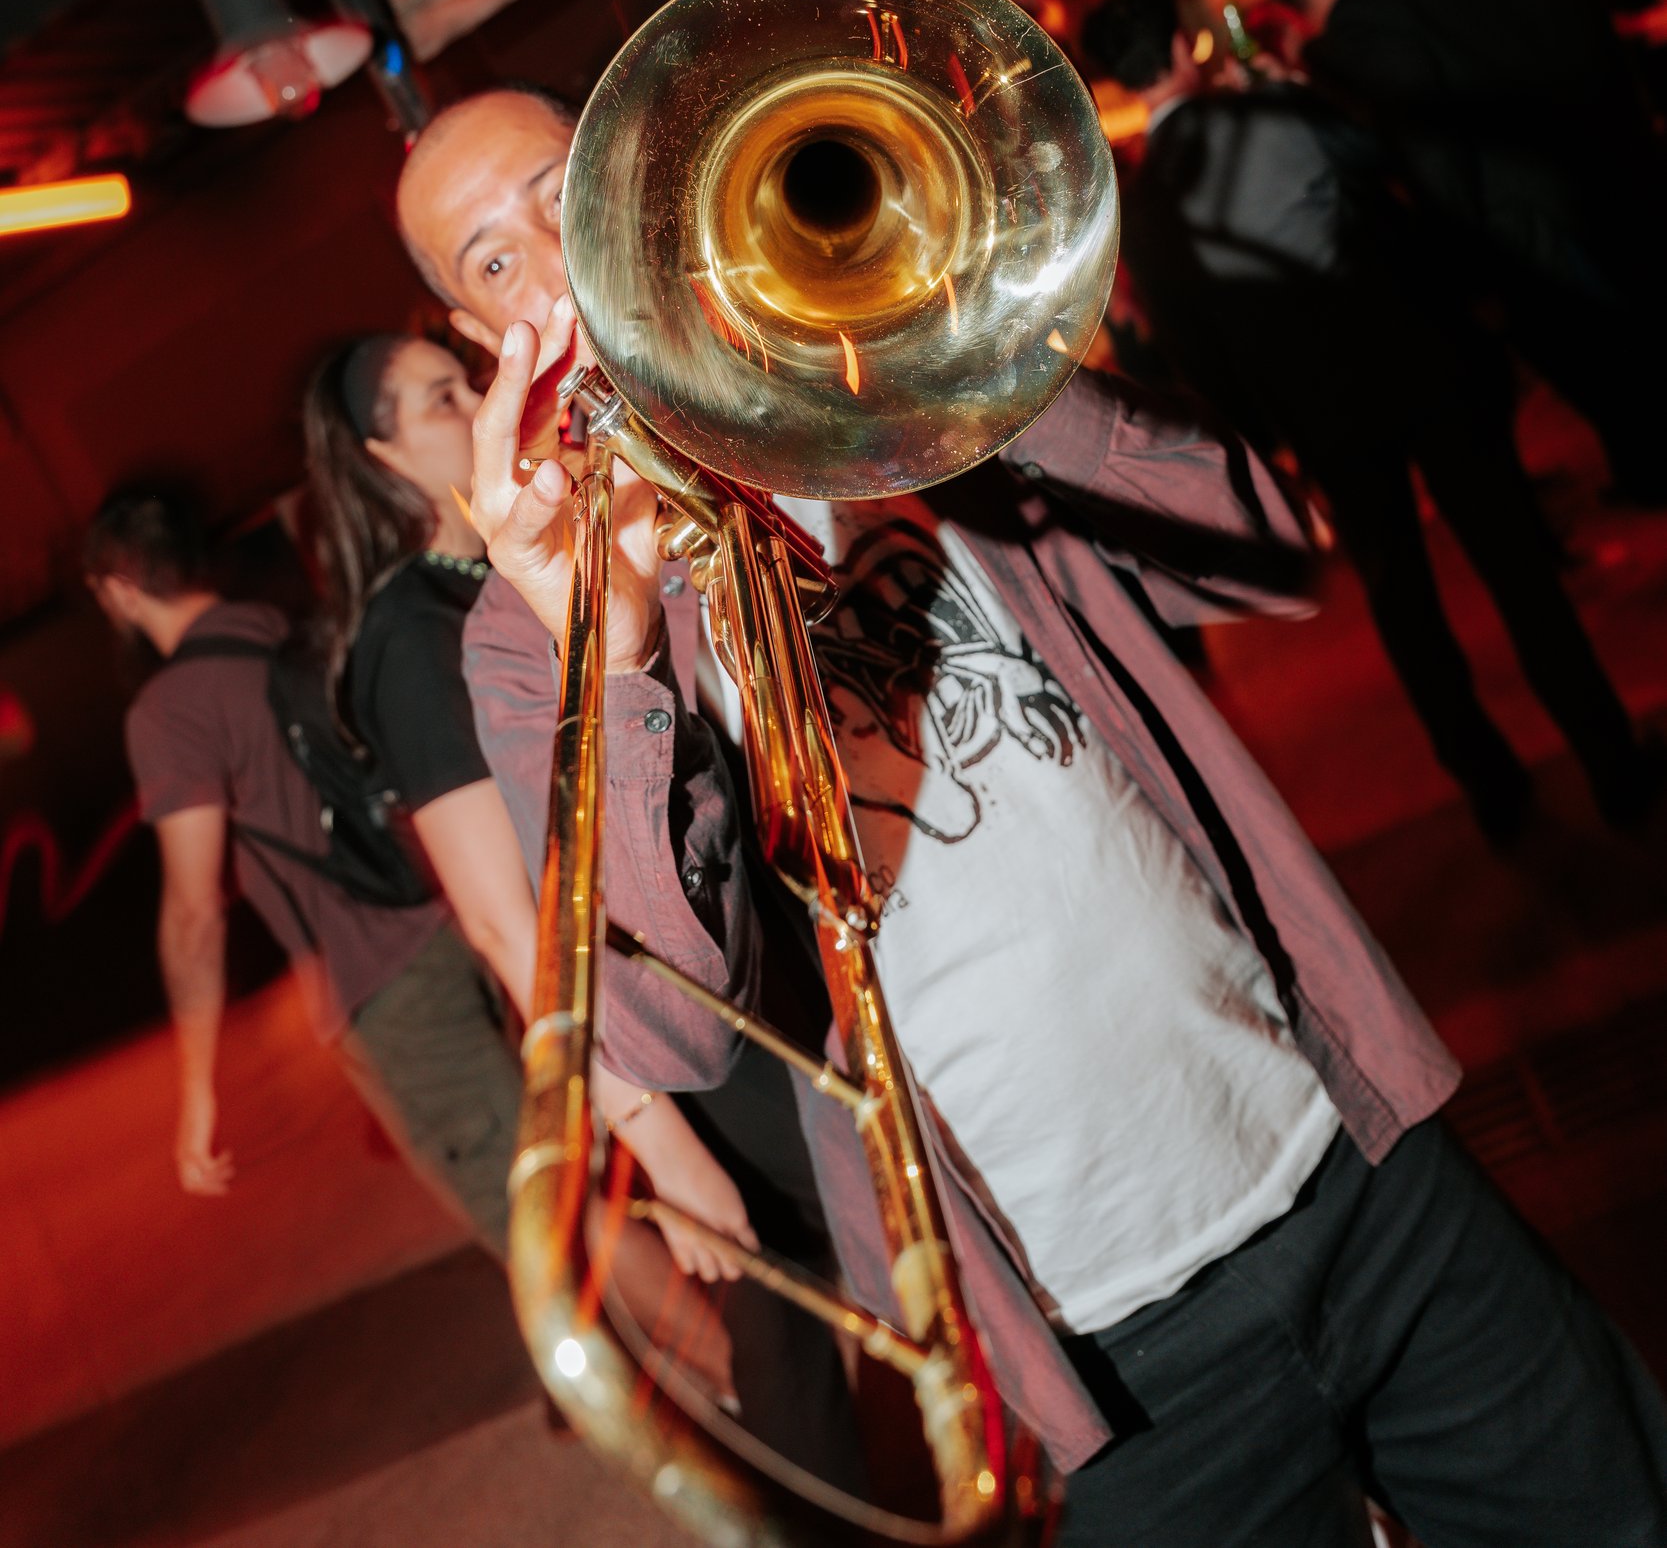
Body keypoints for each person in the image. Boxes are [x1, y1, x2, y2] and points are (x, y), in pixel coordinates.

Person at [395, 84, 1667, 1547]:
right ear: (479, 334)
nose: (557, 263)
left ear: (643, 182)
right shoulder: (526, 631)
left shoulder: (888, 390)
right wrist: (612, 653)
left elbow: (1260, 549)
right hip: (1094, 1353)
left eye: (563, 191)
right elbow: (666, 1031)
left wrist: (971, 370)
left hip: (1341, 1152)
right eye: (496, 260)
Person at [1085, 0, 1661, 841]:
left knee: (1401, 598)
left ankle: (1490, 789)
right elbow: (1379, 161)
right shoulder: (1268, 113)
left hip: (1321, 417)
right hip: (1419, 363)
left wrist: (1267, 433)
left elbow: (1195, 353)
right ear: (1180, 48)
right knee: (1516, 566)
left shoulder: (1142, 212)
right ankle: (1612, 764)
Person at [299, 331, 763, 1282]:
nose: (481, 405)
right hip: (644, 1032)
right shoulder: (414, 630)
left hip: (676, 946)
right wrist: (662, 1143)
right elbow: (502, 921)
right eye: (441, 400)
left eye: (466, 382)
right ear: (382, 456)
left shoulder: (492, 575)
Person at [85, 488, 507, 1248]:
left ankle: (699, 1325)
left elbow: (193, 913)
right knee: (570, 1159)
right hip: (454, 911)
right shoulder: (281, 628)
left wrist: (198, 1088)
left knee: (541, 1220)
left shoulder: (168, 710)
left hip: (384, 986)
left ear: (119, 589)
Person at [1297, 0, 1667, 504]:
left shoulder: (1366, 14)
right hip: (1631, 177)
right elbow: (1605, 56)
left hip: (1531, 242)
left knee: (1623, 391)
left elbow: (1435, 162)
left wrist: (1475, 281)